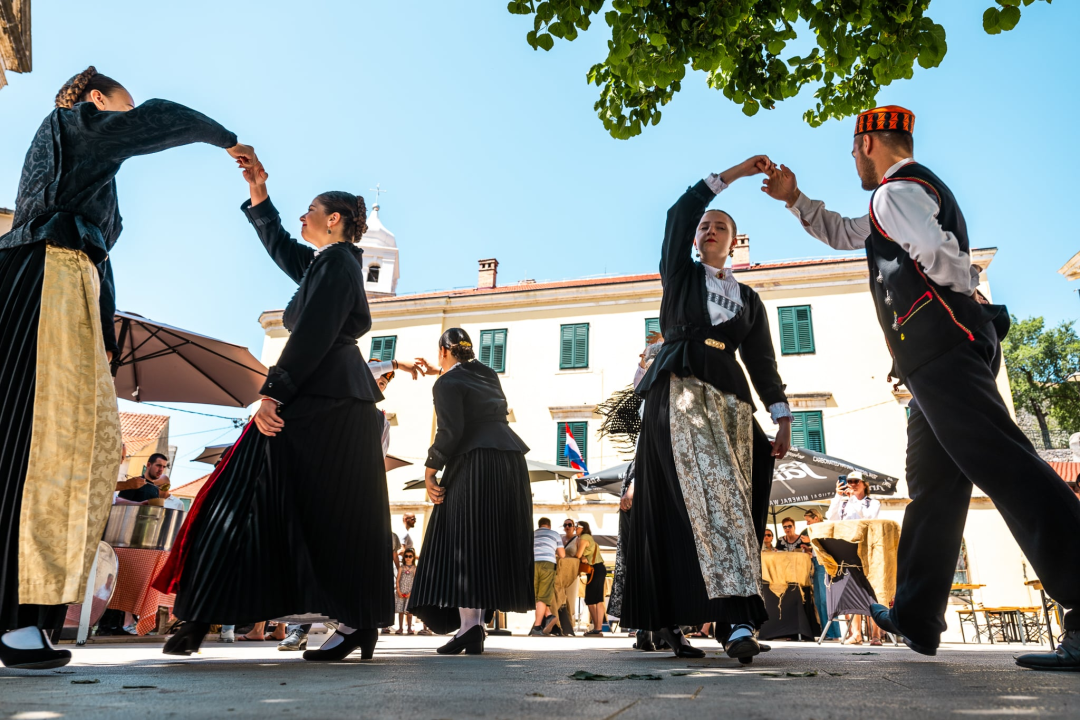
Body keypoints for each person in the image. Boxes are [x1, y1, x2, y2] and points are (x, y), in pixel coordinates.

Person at [761, 105, 1080, 669]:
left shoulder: (893, 192)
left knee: (1008, 466)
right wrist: (795, 198)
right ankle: (916, 616)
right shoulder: (897, 197)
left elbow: (942, 259)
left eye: (852, 152)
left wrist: (960, 289)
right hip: (938, 353)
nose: (853, 164)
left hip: (941, 349)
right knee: (935, 485)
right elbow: (844, 232)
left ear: (867, 145)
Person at [0, 67, 253, 670]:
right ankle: (16, 622)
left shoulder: (76, 161)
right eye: (119, 109)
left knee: (77, 451)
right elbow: (157, 117)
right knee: (46, 448)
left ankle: (30, 619)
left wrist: (104, 327)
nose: (123, 119)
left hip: (68, 288)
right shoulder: (75, 124)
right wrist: (226, 138)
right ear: (94, 102)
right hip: (47, 282)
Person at [153, 156, 392, 663]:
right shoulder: (328, 264)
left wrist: (274, 392)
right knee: (280, 501)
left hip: (324, 400)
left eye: (311, 211)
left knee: (259, 497)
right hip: (328, 398)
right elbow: (282, 247)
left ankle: (203, 616)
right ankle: (203, 615)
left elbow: (312, 334)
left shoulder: (338, 262)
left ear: (334, 220)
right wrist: (259, 193)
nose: (303, 218)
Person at [622, 156, 793, 663]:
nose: (709, 229)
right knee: (687, 505)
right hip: (678, 393)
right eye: (704, 226)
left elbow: (762, 361)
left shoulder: (748, 298)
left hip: (733, 405)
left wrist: (781, 416)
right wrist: (735, 175)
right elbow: (679, 213)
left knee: (734, 508)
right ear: (694, 240)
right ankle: (708, 619)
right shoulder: (678, 275)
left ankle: (734, 620)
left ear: (733, 241)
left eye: (720, 225)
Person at [408, 329, 533, 655]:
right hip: (509, 460)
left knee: (464, 538)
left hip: (475, 460)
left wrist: (430, 469)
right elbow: (469, 383)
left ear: (442, 352)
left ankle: (470, 627)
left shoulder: (446, 383)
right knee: (487, 540)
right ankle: (473, 627)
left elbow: (451, 431)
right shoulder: (488, 373)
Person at [804, 509, 841, 641]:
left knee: (826, 600)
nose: (807, 524)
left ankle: (834, 633)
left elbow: (826, 547)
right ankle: (826, 632)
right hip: (816, 563)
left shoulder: (823, 529)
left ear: (816, 518)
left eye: (808, 521)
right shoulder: (815, 530)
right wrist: (809, 549)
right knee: (819, 601)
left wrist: (811, 541)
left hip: (824, 565)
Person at [531, 518, 565, 636]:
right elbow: (562, 554)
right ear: (549, 526)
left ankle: (549, 616)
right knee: (543, 596)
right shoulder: (554, 534)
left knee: (535, 595)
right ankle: (537, 626)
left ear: (539, 525)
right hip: (548, 564)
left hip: (533, 564)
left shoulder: (532, 534)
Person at [574, 521, 607, 636]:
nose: (575, 528)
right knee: (590, 599)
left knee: (597, 599)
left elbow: (577, 555)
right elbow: (582, 555)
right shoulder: (584, 537)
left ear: (583, 528)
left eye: (577, 527)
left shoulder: (584, 537)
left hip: (596, 569)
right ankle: (597, 627)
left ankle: (598, 628)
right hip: (595, 569)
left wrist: (580, 555)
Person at [396, 549, 417, 634]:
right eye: (406, 556)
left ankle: (409, 628)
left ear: (413, 558)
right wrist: (398, 590)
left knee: (409, 612)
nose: (408, 558)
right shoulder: (401, 567)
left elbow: (416, 582)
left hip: (409, 591)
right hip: (401, 591)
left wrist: (411, 593)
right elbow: (398, 579)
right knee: (401, 611)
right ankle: (400, 628)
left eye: (410, 556)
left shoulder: (414, 568)